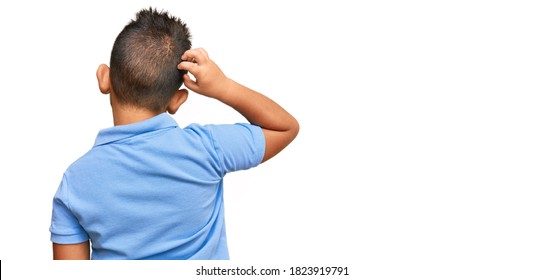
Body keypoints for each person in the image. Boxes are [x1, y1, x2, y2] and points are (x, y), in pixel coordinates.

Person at [49, 7, 299, 260]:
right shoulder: (208, 149)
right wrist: (223, 87)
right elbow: (284, 127)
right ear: (177, 100)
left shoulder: (75, 182)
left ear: (104, 78)